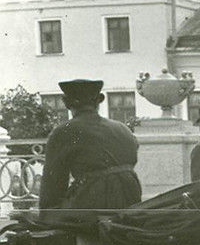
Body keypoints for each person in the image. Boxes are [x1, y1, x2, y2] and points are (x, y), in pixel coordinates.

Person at [38, 78, 141, 220]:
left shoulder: (64, 131)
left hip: (93, 204)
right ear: (99, 101)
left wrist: (46, 214)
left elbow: (53, 183)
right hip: (131, 200)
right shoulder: (122, 128)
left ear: (66, 102)